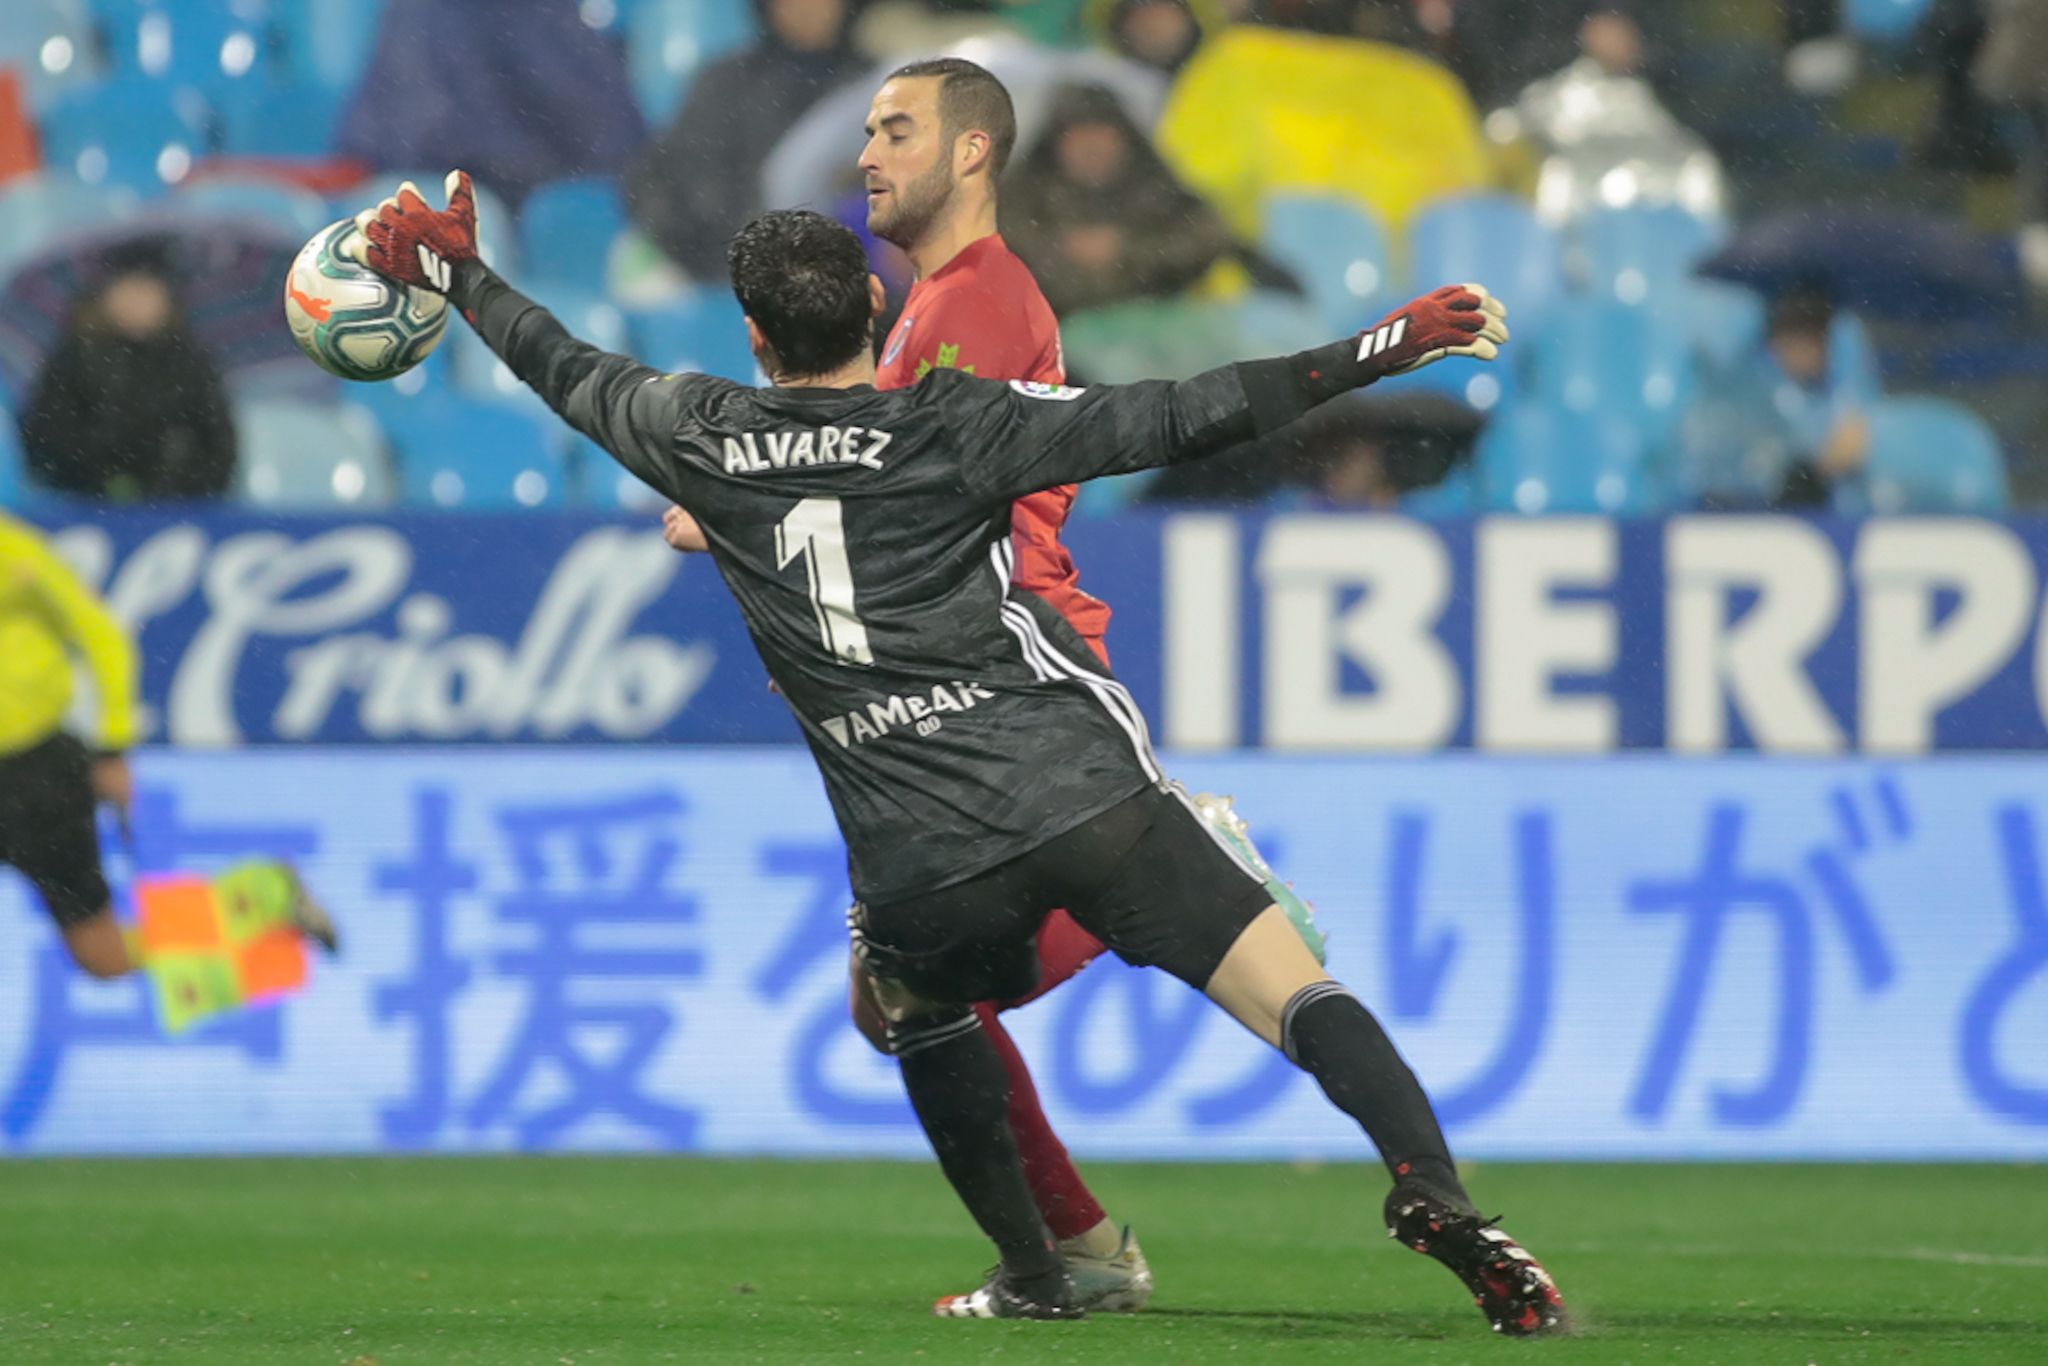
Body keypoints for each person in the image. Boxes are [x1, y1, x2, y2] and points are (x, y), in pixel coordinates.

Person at [351, 172, 1560, 1334]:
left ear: (754, 338)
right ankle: (1430, 1187)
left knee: (916, 1006)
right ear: (875, 309)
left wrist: (461, 276)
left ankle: (1038, 1270)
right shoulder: (959, 423)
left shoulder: (694, 431)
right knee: (1291, 988)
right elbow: (1187, 410)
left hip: (918, 855)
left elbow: (559, 365)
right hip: (1076, 789)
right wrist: (1381, 347)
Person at [676, 56, 1323, 1314]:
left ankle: (1079, 1236)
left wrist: (738, 512)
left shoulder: (973, 302)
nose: (866, 154)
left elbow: (903, 488)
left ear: (969, 151)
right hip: (951, 667)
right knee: (899, 1003)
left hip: (1001, 659)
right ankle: (1078, 1244)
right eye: (867, 129)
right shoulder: (931, 305)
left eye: (893, 130)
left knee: (917, 988)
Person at [0, 512, 338, 984]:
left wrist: (113, 748)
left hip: (34, 776)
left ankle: (268, 898)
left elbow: (104, 636)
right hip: (30, 775)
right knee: (104, 958)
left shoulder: (13, 550)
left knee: (103, 956)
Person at [626, 0, 866, 284]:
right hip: (720, 273)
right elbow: (665, 184)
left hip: (838, 280)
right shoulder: (725, 84)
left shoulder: (873, 88)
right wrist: (737, 255)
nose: (809, 7)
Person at [20, 249, 238, 501]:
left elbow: (218, 446)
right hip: (84, 506)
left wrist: (172, 475)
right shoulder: (74, 357)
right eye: (126, 288)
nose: (136, 301)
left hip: (176, 508)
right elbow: (46, 437)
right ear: (105, 295)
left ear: (167, 298)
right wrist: (102, 467)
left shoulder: (191, 363)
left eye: (147, 290)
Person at [1001, 82, 1236, 316]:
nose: (1091, 146)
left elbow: (1208, 237)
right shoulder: (1021, 194)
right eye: (1079, 135)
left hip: (1150, 324)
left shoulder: (1155, 189)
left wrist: (1125, 249)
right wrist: (1062, 250)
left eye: (1102, 134)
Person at [1677, 290, 1875, 510]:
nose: (1817, 353)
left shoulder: (1828, 394)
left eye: (1820, 342)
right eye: (1803, 340)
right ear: (1780, 341)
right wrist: (1817, 468)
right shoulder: (1752, 390)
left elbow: (1852, 448)